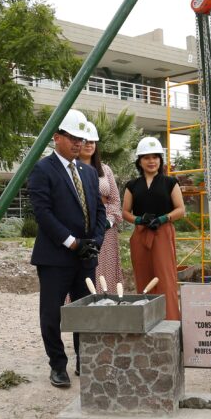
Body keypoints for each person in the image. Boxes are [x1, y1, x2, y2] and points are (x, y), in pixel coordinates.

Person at [27, 109, 105, 388]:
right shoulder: (42, 169)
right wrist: (72, 242)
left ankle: (85, 360)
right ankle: (57, 365)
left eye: (81, 138)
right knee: (52, 312)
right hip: (56, 257)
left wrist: (95, 241)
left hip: (86, 256)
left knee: (85, 310)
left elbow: (99, 209)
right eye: (72, 137)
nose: (78, 143)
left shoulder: (88, 171)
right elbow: (43, 212)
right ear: (57, 137)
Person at [122, 137, 185, 320]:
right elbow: (125, 212)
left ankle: (171, 321)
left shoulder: (170, 182)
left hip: (163, 233)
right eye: (146, 157)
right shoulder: (132, 185)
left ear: (160, 159)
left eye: (155, 157)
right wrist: (139, 220)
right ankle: (146, 320)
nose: (151, 161)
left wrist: (164, 218)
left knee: (165, 278)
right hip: (140, 235)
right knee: (143, 276)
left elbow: (181, 209)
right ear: (139, 161)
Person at [77, 123, 125, 294]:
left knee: (106, 267)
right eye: (85, 140)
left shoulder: (105, 170)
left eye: (93, 141)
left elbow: (114, 200)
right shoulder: (70, 169)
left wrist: (108, 221)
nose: (89, 144)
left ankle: (108, 306)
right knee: (83, 270)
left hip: (106, 229)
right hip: (80, 226)